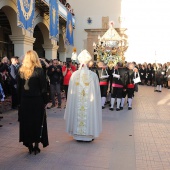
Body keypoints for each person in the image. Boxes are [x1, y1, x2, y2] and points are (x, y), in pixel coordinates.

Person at [64, 50, 102, 141]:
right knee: (89, 112)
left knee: (77, 110)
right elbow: (96, 93)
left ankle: (77, 134)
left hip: (77, 101)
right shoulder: (93, 75)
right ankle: (89, 133)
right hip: (89, 102)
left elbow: (70, 93)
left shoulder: (74, 75)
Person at [17, 50, 49, 155]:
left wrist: (19, 102)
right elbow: (43, 88)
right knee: (37, 122)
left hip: (25, 100)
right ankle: (36, 145)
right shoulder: (39, 70)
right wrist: (45, 100)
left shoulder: (21, 70)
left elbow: (19, 88)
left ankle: (29, 145)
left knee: (27, 122)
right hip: (37, 100)